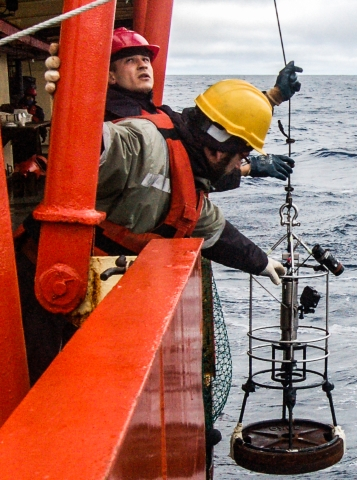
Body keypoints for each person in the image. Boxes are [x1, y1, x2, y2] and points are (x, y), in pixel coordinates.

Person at [15, 79, 291, 385]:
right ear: (219, 147)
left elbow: (214, 230)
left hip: (83, 288)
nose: (243, 162)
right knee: (32, 384)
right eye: (243, 153)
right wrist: (72, 98)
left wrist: (262, 263)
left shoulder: (189, 175)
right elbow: (103, 144)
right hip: (34, 280)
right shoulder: (145, 141)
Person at [105, 27, 299, 189]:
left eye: (145, 59)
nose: (142, 65)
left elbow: (203, 128)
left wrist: (274, 97)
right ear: (110, 75)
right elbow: (190, 164)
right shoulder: (120, 123)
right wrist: (249, 167)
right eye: (130, 60)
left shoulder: (157, 113)